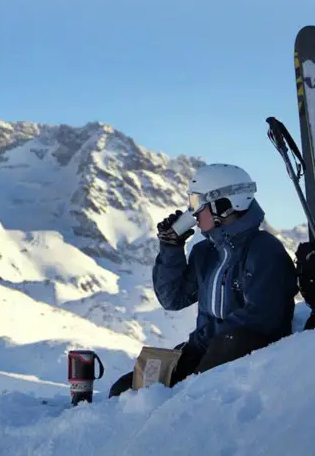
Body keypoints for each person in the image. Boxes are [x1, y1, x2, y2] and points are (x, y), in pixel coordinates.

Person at [109, 163, 298, 398]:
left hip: (241, 354)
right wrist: (171, 248)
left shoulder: (264, 250)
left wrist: (204, 340)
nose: (193, 213)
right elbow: (172, 299)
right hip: (203, 350)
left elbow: (263, 319)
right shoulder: (205, 253)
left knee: (197, 382)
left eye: (197, 204)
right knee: (123, 391)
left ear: (225, 206)